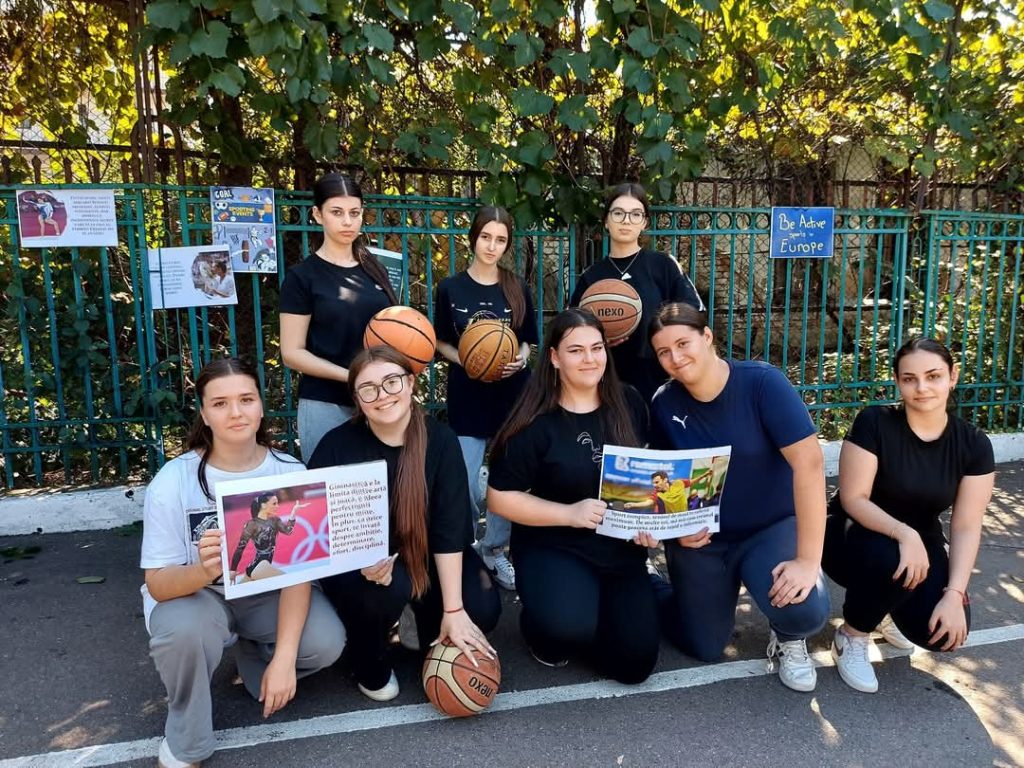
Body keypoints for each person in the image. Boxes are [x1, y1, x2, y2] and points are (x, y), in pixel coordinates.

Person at [140, 358, 344, 768]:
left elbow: (299, 573)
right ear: (204, 414)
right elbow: (159, 584)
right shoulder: (173, 480)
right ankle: (187, 739)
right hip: (197, 595)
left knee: (326, 643)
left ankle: (255, 656)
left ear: (261, 406)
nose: (235, 412)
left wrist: (283, 659)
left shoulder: (289, 471)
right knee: (183, 632)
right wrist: (202, 571)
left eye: (246, 399)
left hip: (264, 591)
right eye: (220, 403)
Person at [647, 302, 830, 692]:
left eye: (683, 343)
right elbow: (664, 482)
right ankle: (652, 583)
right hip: (703, 538)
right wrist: (675, 531)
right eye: (664, 351)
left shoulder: (762, 383)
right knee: (704, 646)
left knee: (805, 610)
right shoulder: (664, 403)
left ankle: (789, 637)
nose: (675, 358)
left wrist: (807, 561)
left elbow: (810, 465)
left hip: (769, 527)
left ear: (707, 336)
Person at [308, 346, 500, 702]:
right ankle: (367, 658)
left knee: (482, 607)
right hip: (364, 565)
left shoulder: (440, 440)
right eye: (368, 389)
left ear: (410, 383)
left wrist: (454, 610)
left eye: (391, 382)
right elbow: (316, 530)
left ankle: (422, 621)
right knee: (384, 592)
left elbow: (449, 532)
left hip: (426, 552)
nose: (382, 395)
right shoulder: (337, 447)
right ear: (357, 399)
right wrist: (358, 563)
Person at [487, 308, 660, 684]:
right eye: (576, 350)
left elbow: (644, 479)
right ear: (554, 357)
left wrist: (648, 524)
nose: (589, 359)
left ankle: (617, 606)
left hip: (618, 547)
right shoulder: (535, 420)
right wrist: (570, 513)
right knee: (564, 633)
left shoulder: (629, 402)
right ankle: (543, 624)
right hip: (553, 544)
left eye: (597, 348)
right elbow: (499, 498)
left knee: (636, 665)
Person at [823, 337, 994, 693]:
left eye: (933, 376)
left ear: (953, 377)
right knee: (892, 560)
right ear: (898, 382)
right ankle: (852, 635)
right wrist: (905, 533)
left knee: (940, 634)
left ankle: (883, 606)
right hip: (852, 532)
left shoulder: (974, 443)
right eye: (909, 378)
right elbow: (854, 499)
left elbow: (966, 525)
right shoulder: (875, 421)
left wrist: (954, 594)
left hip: (919, 539)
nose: (922, 388)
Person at [433, 205, 539, 590]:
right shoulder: (450, 288)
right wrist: (466, 358)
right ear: (473, 238)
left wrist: (520, 359)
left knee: (507, 477)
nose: (492, 246)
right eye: (486, 237)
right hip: (468, 393)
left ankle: (494, 549)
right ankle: (462, 548)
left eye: (500, 240)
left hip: (512, 392)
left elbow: (527, 340)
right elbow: (439, 341)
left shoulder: (516, 287)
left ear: (507, 245)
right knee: (463, 477)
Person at [280, 172, 399, 463]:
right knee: (330, 486)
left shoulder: (376, 269)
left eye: (354, 213)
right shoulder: (301, 277)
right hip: (326, 402)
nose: (347, 221)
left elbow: (396, 330)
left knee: (384, 484)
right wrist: (352, 377)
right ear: (317, 215)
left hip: (380, 399)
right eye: (337, 212)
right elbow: (291, 353)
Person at [570, 182, 703, 404]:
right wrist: (598, 339)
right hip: (607, 385)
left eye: (635, 214)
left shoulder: (664, 265)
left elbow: (693, 315)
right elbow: (573, 331)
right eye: (618, 213)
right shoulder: (591, 276)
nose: (626, 220)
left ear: (644, 222)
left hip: (660, 383)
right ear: (606, 221)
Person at [228, 492, 307, 583]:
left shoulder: (275, 520)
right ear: (263, 505)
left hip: (260, 568)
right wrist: (233, 570)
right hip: (259, 567)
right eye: (274, 503)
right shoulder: (252, 524)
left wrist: (294, 511)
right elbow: (240, 548)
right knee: (292, 583)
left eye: (277, 503)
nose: (277, 506)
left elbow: (288, 531)